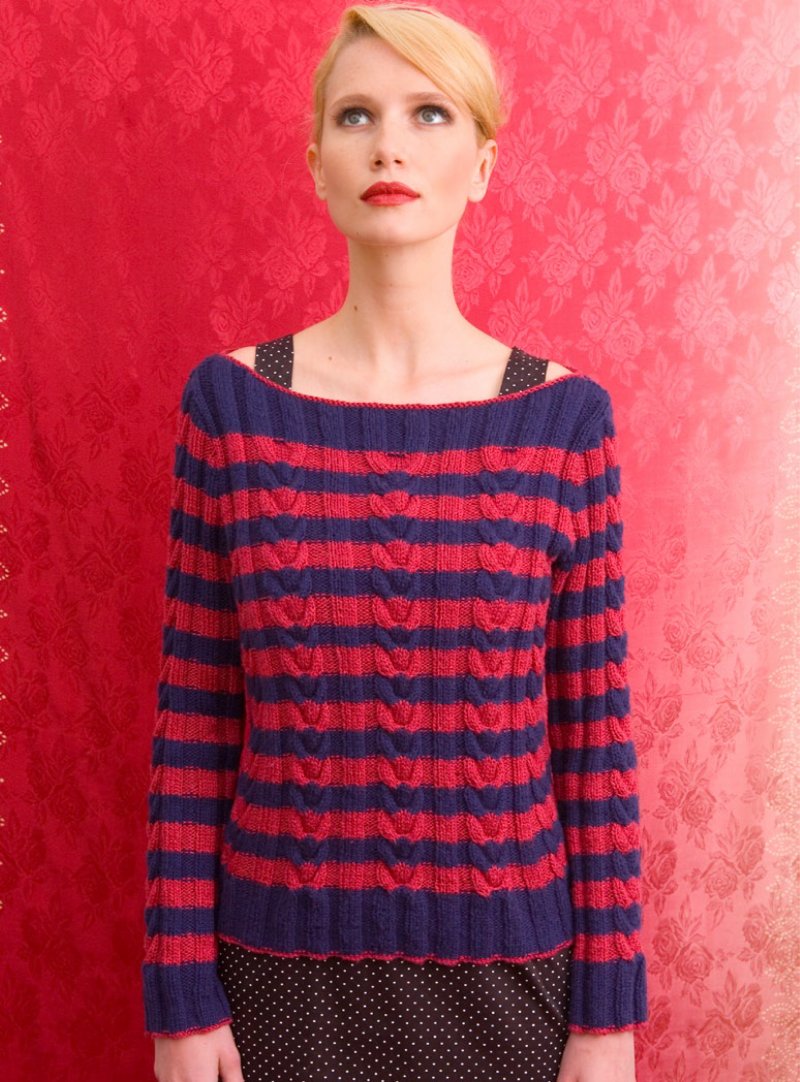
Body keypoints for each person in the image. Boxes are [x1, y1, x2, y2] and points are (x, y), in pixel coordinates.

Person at [142, 4, 648, 1081]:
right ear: (316, 162)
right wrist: (179, 997)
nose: (388, 146)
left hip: (515, 982)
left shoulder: (563, 421)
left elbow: (593, 744)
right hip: (270, 979)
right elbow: (194, 720)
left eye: (429, 113)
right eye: (356, 115)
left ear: (482, 164)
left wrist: (608, 1023)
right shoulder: (231, 408)